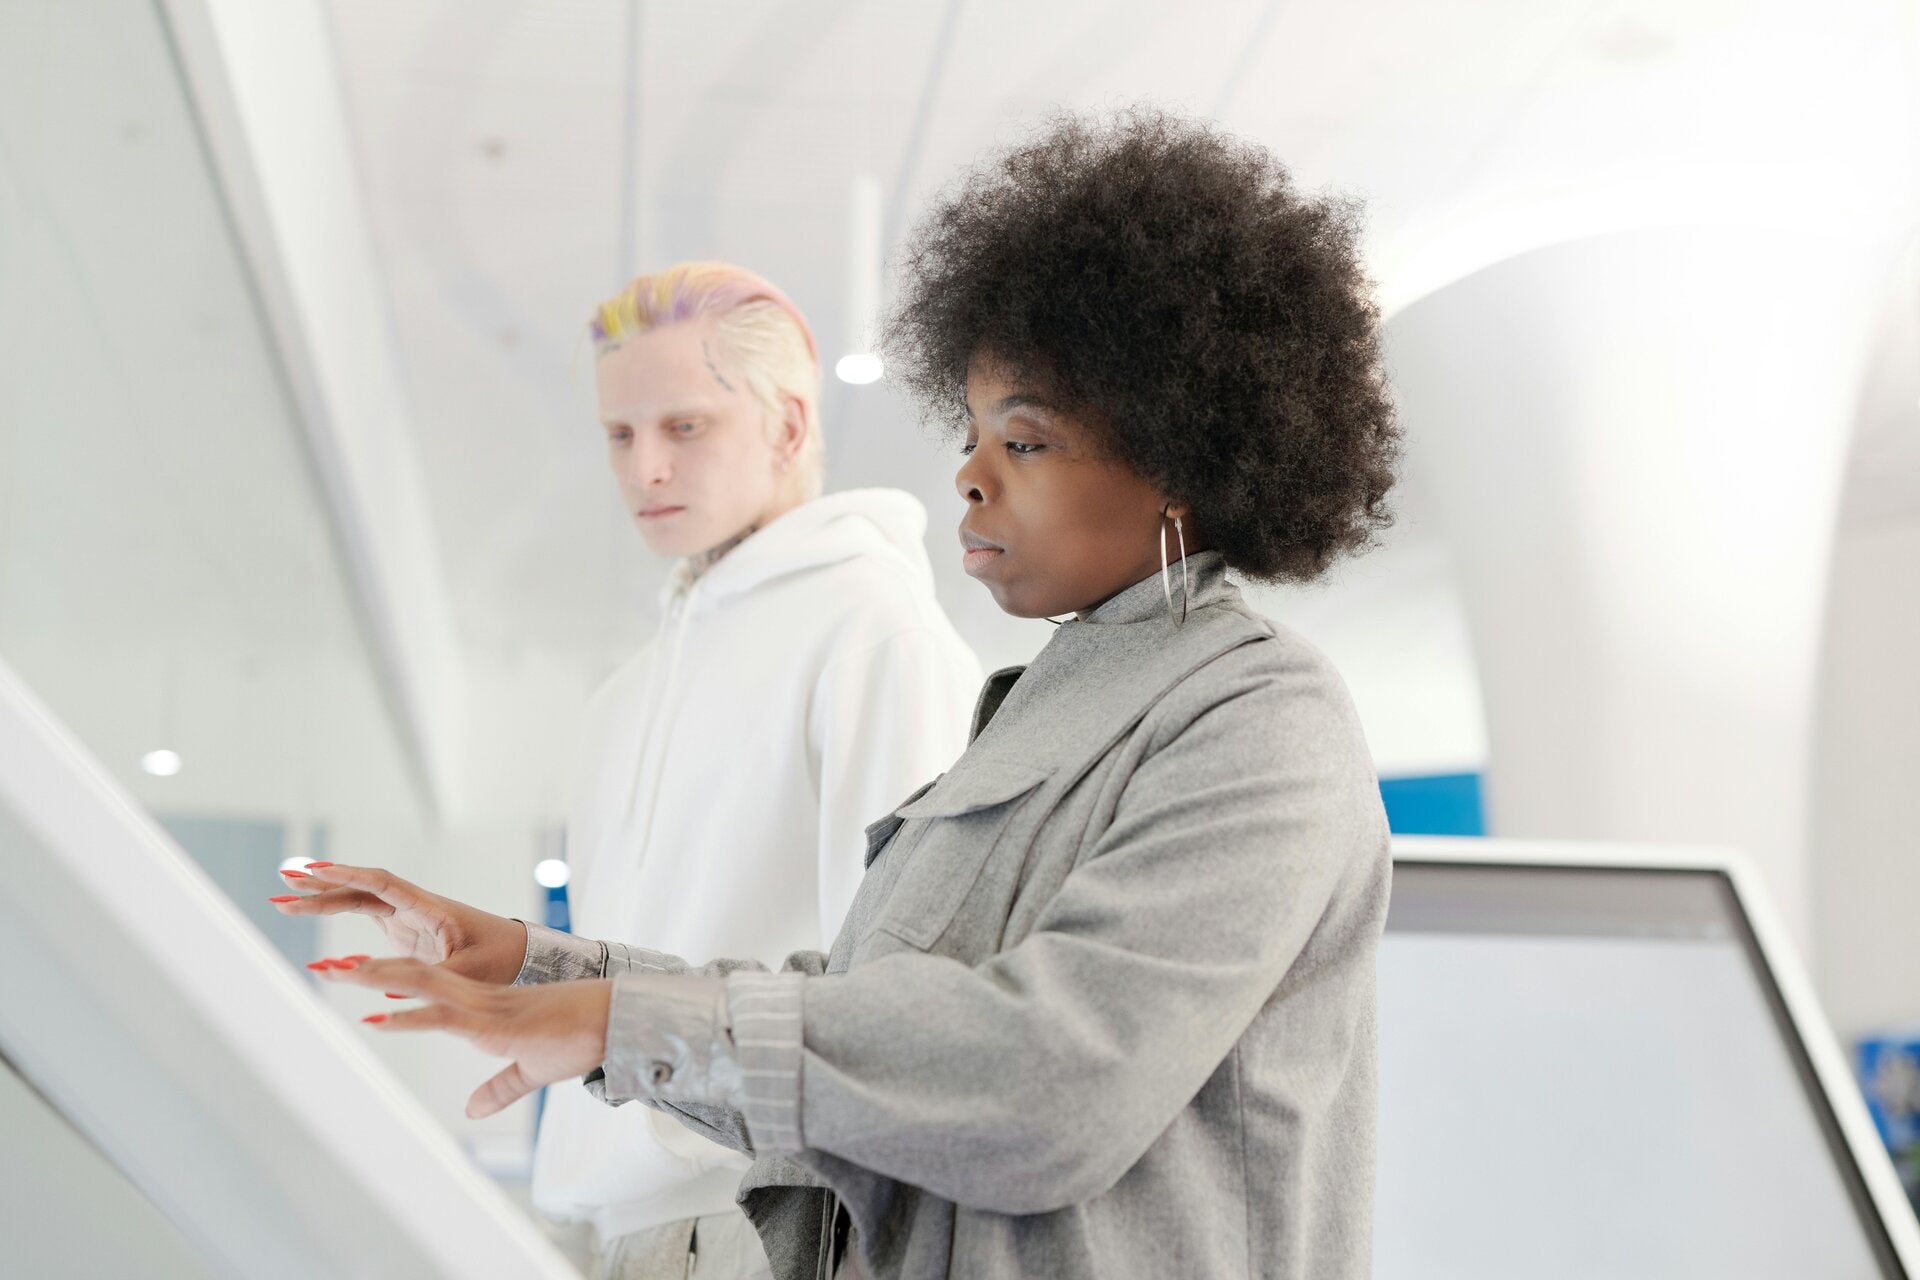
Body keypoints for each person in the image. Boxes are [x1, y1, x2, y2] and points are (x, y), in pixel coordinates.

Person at [279, 107, 1400, 1279]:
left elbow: (1055, 1076)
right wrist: (535, 963)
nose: (967, 475)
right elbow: (863, 1009)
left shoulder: (1264, 717)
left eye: (1022, 442)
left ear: (1180, 457)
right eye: (970, 434)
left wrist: (620, 1019)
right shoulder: (1036, 711)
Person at [283, 261, 981, 1279]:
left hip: (768, 1227)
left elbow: (896, 1004)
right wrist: (515, 955)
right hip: (611, 1231)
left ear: (788, 425)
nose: (645, 467)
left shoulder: (875, 635)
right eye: (619, 433)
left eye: (685, 427)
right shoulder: (625, 695)